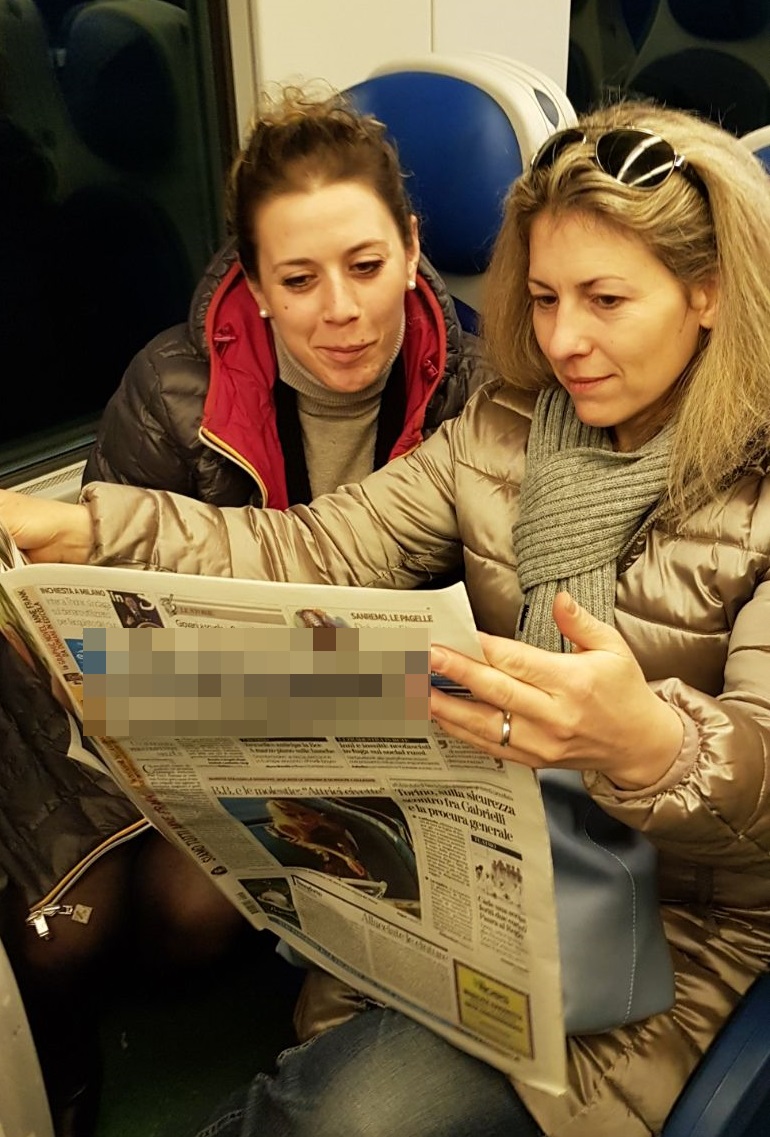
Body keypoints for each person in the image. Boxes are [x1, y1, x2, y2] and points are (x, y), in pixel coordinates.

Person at [3, 97, 770, 1137]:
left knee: (346, 1117)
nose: (562, 339)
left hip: (674, 923)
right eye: (542, 297)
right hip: (485, 858)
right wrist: (88, 529)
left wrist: (646, 744)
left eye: (603, 300)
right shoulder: (504, 425)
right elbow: (314, 550)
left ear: (708, 293)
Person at [1, 87, 492, 1137]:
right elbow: (99, 621)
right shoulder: (173, 391)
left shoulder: (477, 397)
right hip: (179, 705)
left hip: (365, 718)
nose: (341, 311)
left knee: (191, 918)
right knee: (65, 932)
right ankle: (73, 1064)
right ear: (253, 289)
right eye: (298, 279)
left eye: (364, 267)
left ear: (411, 247)